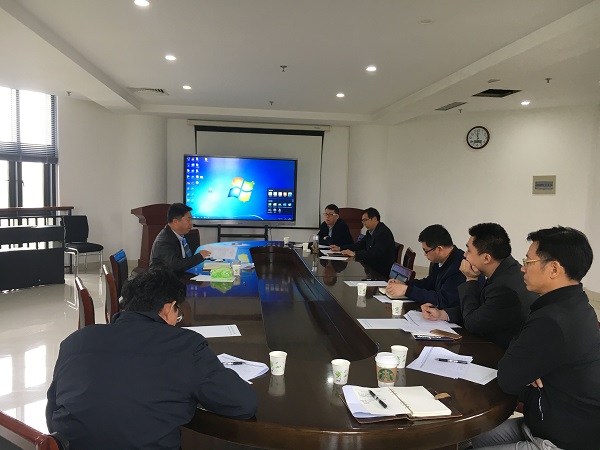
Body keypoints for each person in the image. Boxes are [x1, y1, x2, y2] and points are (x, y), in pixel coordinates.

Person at [46, 268, 257, 450]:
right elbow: (243, 404)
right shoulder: (186, 346)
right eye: (178, 313)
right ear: (168, 308)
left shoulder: (75, 341)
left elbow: (53, 411)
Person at [471, 226, 600, 450]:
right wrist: (528, 372)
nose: (522, 268)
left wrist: (525, 372)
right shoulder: (575, 303)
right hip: (539, 423)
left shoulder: (553, 319)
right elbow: (517, 369)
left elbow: (507, 378)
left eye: (528, 262)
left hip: (559, 440)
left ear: (554, 269)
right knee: (464, 438)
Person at [421, 223, 535, 349]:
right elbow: (482, 309)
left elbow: (472, 323)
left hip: (499, 351)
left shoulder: (505, 288)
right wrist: (442, 314)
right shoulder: (507, 269)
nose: (465, 255)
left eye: (469, 250)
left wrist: (470, 279)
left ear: (486, 258)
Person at [386, 224, 467, 308]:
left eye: (426, 251)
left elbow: (442, 300)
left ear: (439, 249)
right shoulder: (440, 260)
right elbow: (429, 283)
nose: (424, 254)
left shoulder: (459, 267)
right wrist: (405, 284)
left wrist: (407, 290)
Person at [331, 207, 396, 279]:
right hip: (371, 266)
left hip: (380, 271)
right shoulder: (370, 231)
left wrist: (355, 254)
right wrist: (340, 248)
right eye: (362, 221)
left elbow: (375, 252)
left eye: (365, 220)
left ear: (374, 219)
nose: (363, 223)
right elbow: (360, 245)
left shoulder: (383, 232)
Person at [150, 202, 210, 275]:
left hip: (181, 276)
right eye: (188, 220)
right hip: (165, 279)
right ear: (175, 221)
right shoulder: (163, 241)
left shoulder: (185, 236)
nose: (191, 223)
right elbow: (176, 265)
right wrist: (199, 256)